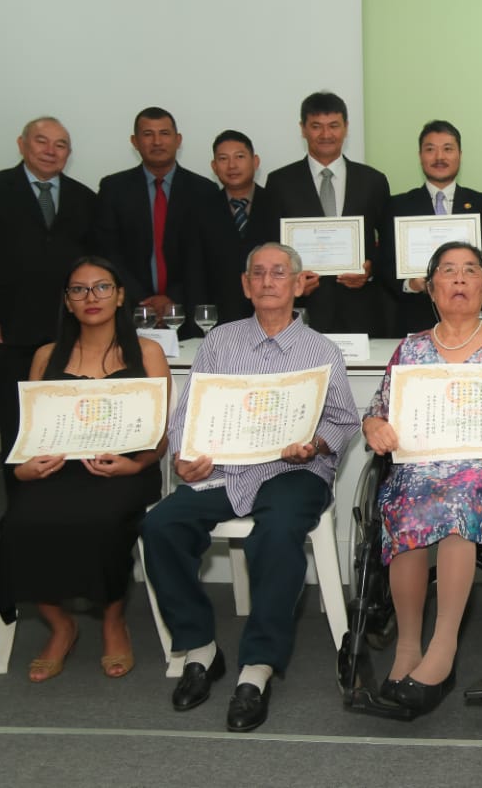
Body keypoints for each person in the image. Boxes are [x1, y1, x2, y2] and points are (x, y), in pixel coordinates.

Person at [141, 242, 360, 733]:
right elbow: (189, 413)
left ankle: (257, 668)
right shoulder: (219, 342)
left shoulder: (321, 350)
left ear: (298, 284)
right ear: (245, 285)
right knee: (161, 524)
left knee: (276, 533)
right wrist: (184, 457)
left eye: (278, 273)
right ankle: (200, 650)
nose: (267, 282)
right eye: (257, 273)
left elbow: (345, 421)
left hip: (293, 473)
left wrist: (316, 444)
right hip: (229, 468)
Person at [361, 241, 482, 718]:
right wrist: (375, 428)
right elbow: (375, 412)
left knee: (456, 503)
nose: (458, 279)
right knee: (405, 501)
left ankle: (443, 648)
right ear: (431, 288)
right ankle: (408, 647)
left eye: (470, 271)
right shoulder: (410, 348)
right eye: (447, 271)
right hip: (422, 469)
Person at [0, 256, 168, 682]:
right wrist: (25, 470)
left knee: (101, 519)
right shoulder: (46, 356)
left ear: (120, 295)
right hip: (55, 470)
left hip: (124, 470)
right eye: (78, 289)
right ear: (67, 301)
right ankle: (61, 626)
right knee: (19, 520)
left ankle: (113, 622)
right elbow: (29, 435)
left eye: (102, 287)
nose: (91, 298)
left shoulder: (147, 352)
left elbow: (161, 436)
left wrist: (132, 466)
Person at [0, 116, 97, 474]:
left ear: (68, 153)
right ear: (22, 144)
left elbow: (92, 265)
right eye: (42, 141)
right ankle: (17, 511)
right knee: (17, 422)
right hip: (9, 330)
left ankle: (64, 503)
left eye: (60, 145)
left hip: (69, 331)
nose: (50, 151)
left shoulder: (84, 197)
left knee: (66, 420)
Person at [264, 91, 396, 336]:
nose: (326, 135)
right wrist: (290, 278)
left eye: (334, 126)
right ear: (303, 129)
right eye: (316, 126)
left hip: (362, 309)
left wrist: (370, 269)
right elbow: (269, 245)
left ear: (346, 127)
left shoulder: (372, 180)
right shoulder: (280, 182)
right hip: (302, 310)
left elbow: (389, 242)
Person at [94, 106, 222, 338]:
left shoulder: (205, 191)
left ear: (178, 139)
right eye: (147, 134)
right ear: (134, 141)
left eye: (164, 133)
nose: (157, 141)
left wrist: (171, 299)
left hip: (189, 314)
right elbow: (108, 252)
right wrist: (142, 299)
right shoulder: (114, 189)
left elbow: (205, 257)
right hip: (128, 313)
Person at [388, 121, 482, 335]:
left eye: (447, 149)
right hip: (415, 319)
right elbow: (385, 262)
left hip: (473, 318)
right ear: (420, 156)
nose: (439, 157)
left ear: (460, 155)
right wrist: (411, 284)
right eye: (430, 149)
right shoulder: (397, 206)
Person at [204, 129, 280, 322]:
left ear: (255, 161)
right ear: (214, 166)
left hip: (272, 314)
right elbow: (194, 272)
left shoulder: (279, 204)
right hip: (220, 319)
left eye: (239, 157)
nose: (232, 165)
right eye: (223, 159)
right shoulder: (200, 209)